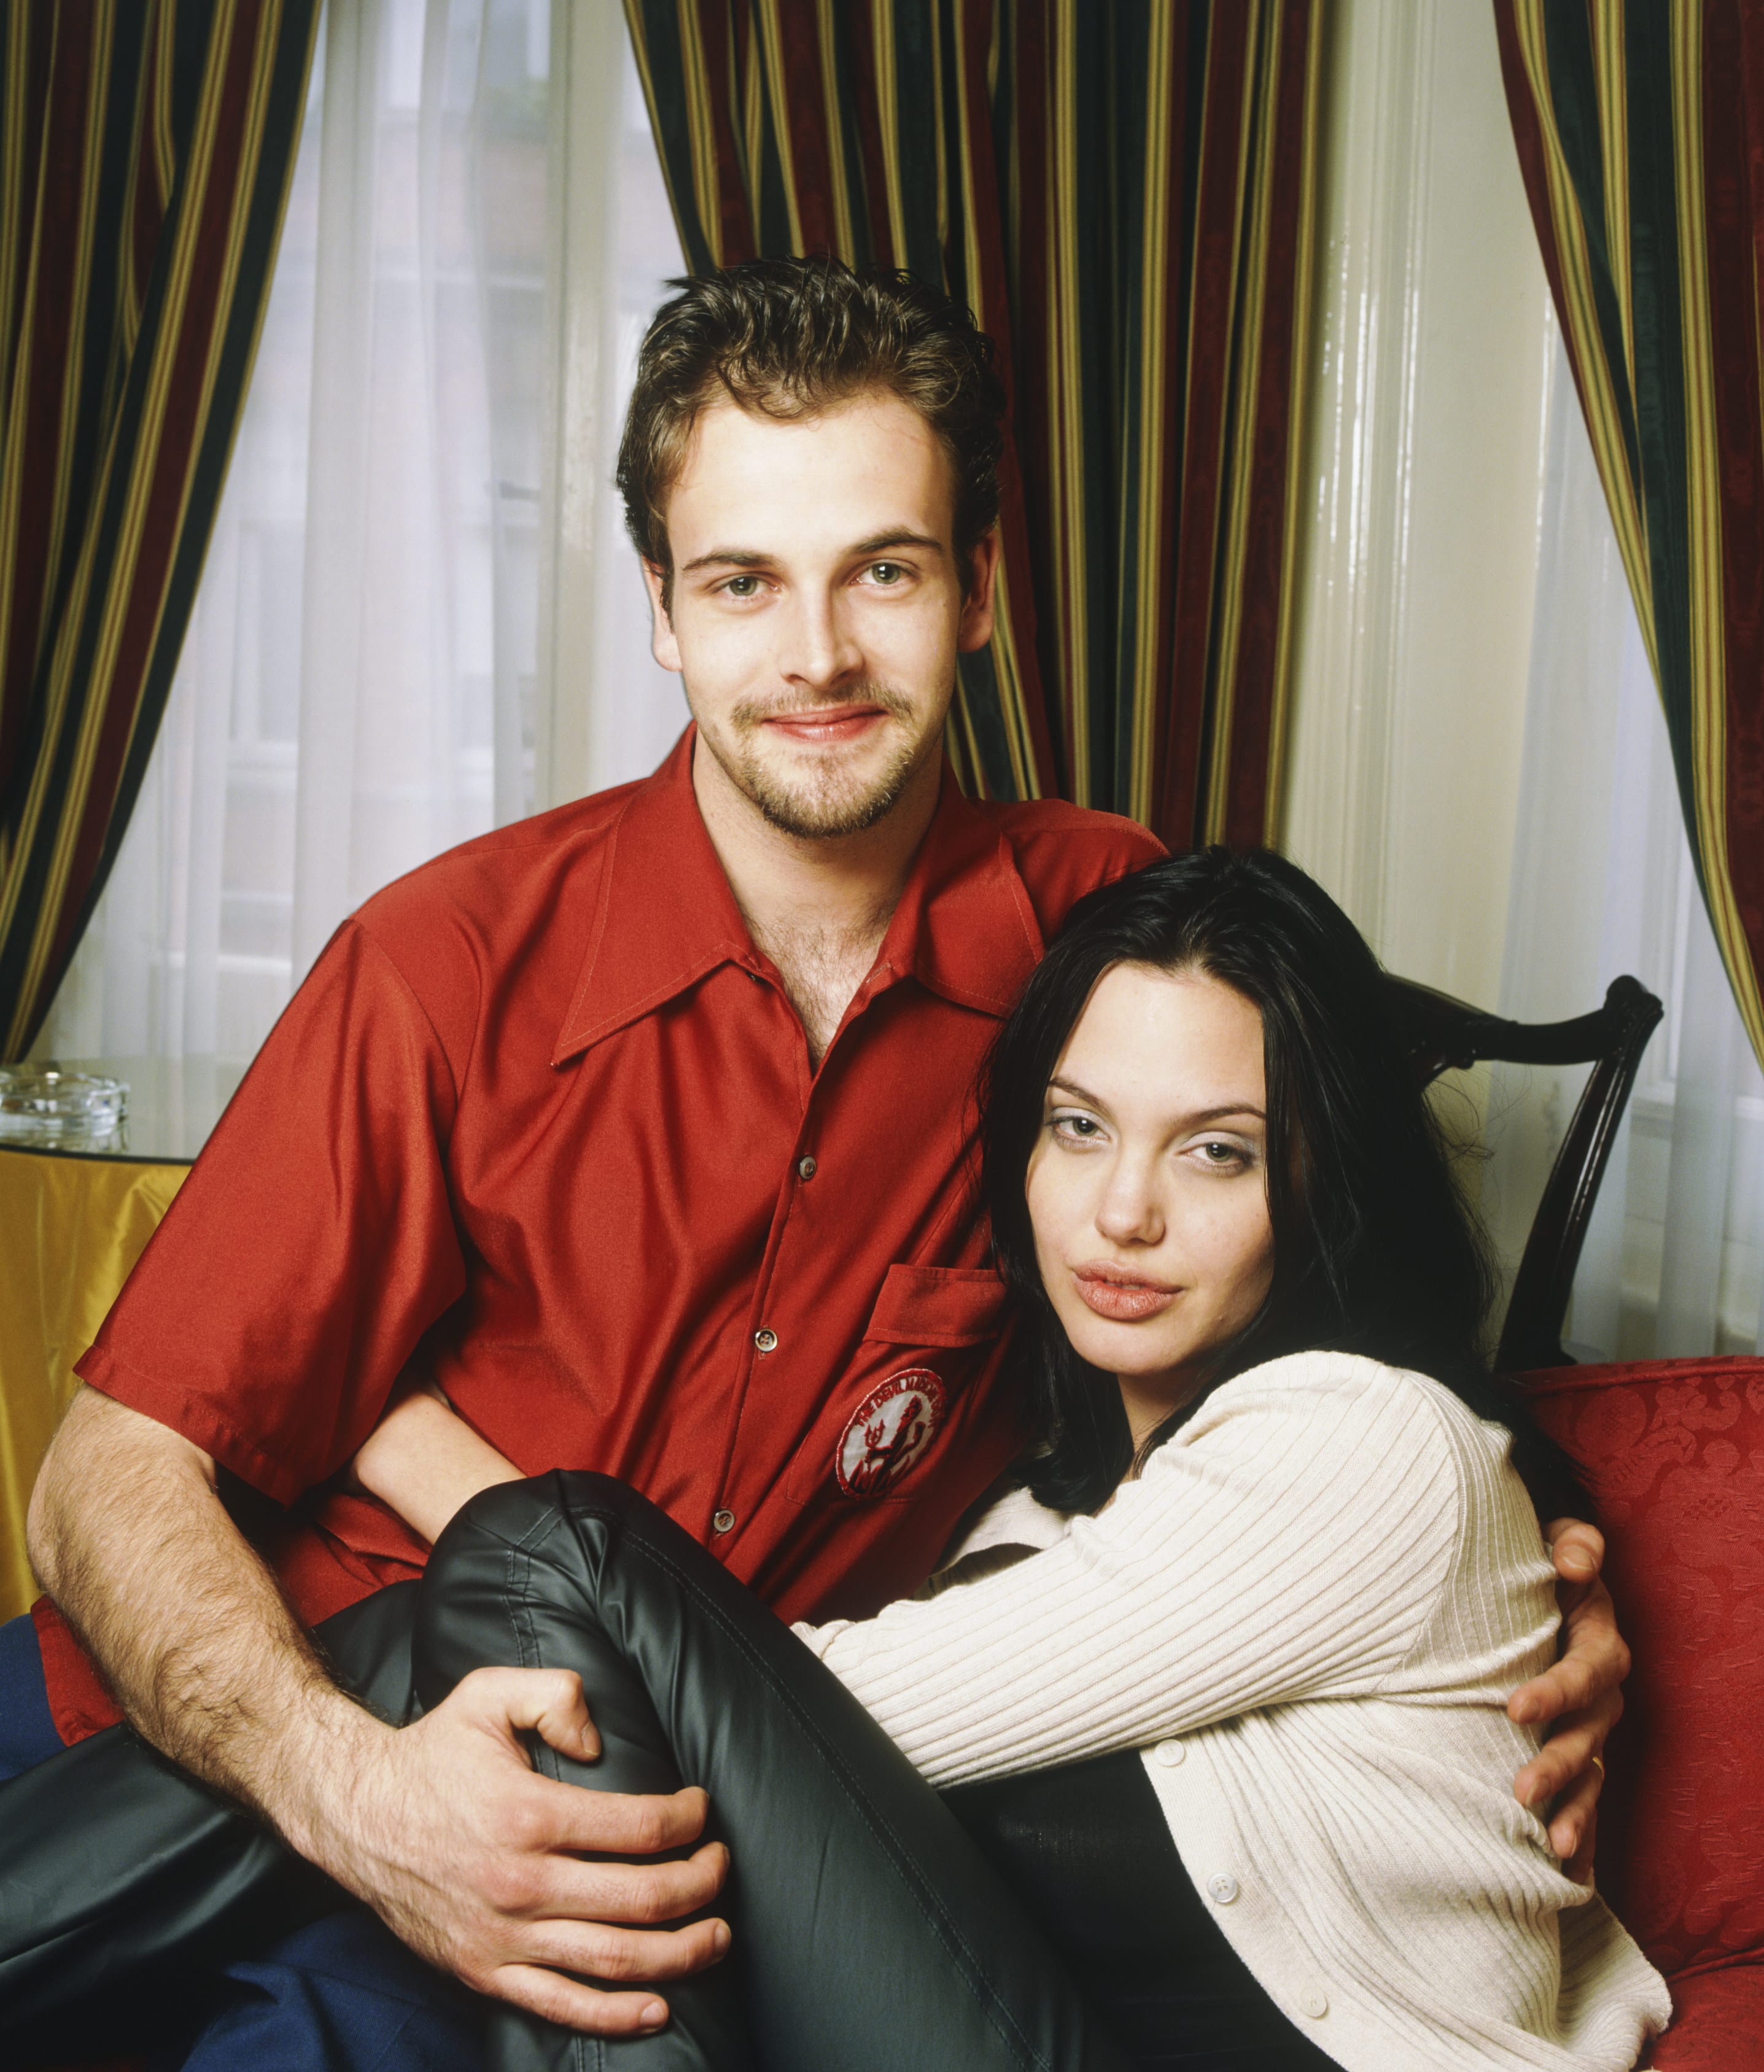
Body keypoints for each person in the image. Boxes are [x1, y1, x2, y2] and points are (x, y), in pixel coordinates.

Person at [6, 261, 1623, 2063]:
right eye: (742, 582)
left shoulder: (1104, 941)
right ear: (660, 609)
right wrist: (354, 1793)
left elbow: (1346, 1285)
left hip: (656, 1821)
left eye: (886, 571)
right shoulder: (446, 960)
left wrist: (1547, 1576)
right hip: (220, 1712)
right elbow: (105, 1481)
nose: (819, 657)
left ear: (980, 588)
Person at [335, 845, 1676, 2070]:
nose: (1122, 1212)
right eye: (1079, 1125)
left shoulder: (1362, 1439)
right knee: (518, 1641)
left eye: (1218, 1152)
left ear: (1328, 1182)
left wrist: (376, 1437)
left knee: (550, 1560)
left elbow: (785, 1732)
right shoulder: (1033, 1512)